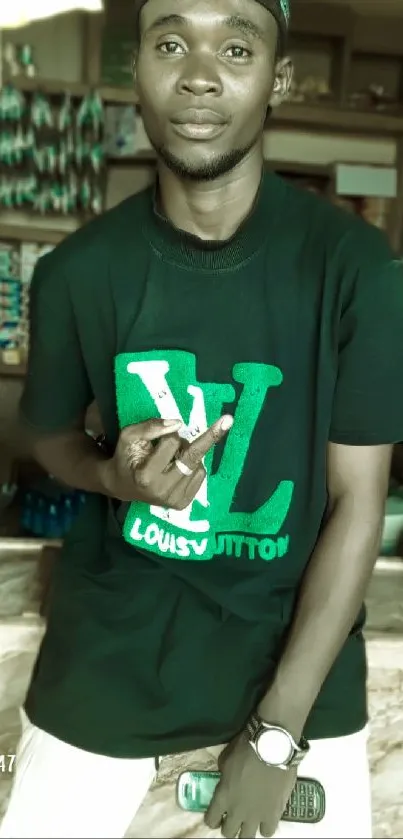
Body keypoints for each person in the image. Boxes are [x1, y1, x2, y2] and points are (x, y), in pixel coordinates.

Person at [2, 0, 403, 837]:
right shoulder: (78, 273)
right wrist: (111, 471)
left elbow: (356, 500)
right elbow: (45, 437)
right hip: (105, 668)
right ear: (139, 73)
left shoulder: (356, 269)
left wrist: (278, 729)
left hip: (296, 670)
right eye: (171, 41)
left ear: (277, 80)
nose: (198, 72)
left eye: (236, 45)